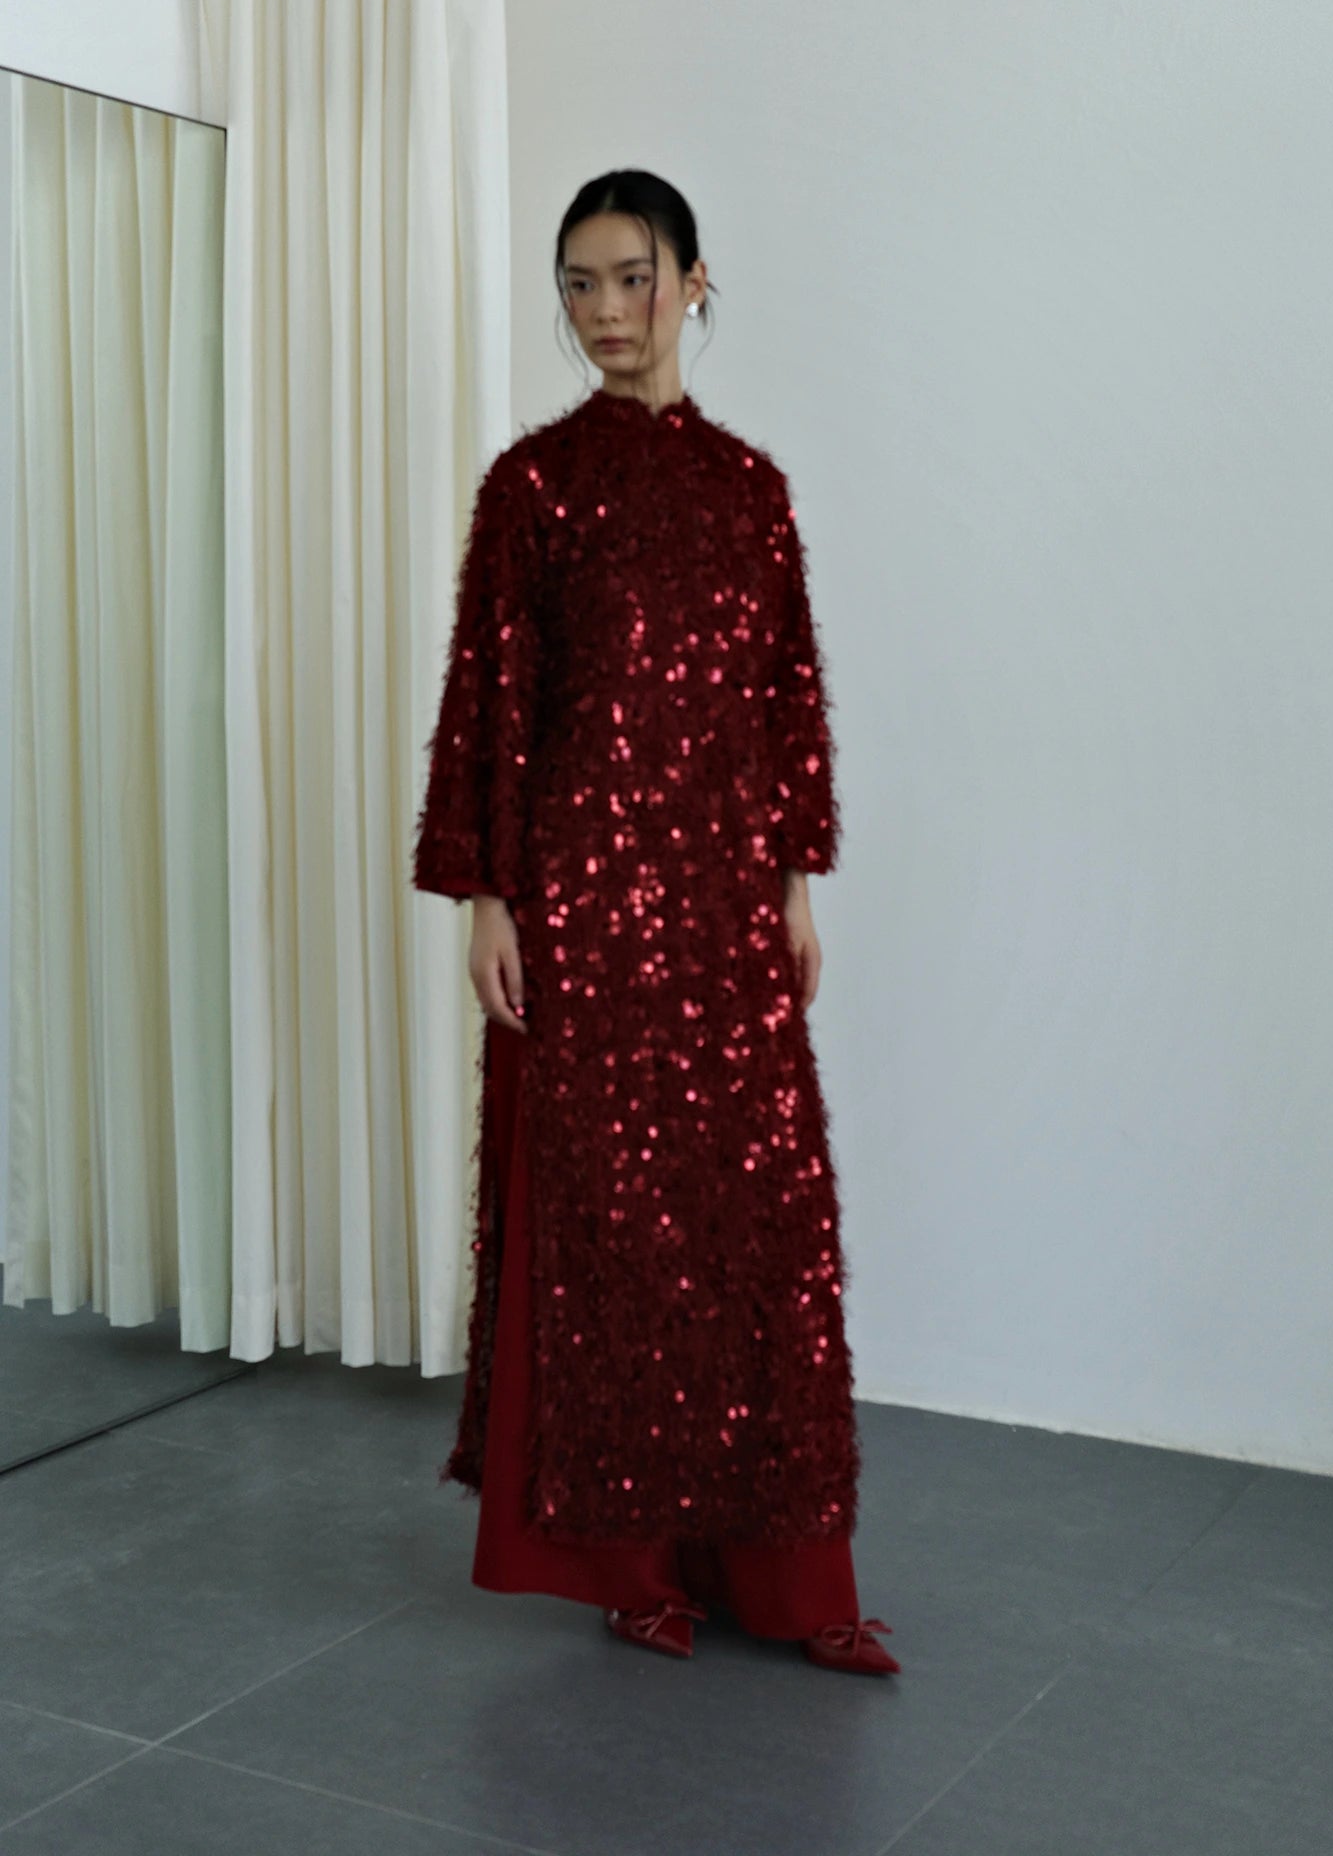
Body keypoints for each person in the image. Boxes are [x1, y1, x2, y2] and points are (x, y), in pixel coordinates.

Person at [413, 170, 898, 1677]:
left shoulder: (752, 491)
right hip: (579, 916)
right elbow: (492, 708)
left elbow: (784, 698)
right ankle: (631, 1569)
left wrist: (793, 880)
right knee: (611, 1235)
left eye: (633, 277)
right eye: (579, 283)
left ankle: (783, 1578)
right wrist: (490, 899)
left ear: (694, 283)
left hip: (724, 910)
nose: (605, 311)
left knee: (755, 1230)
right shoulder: (531, 490)